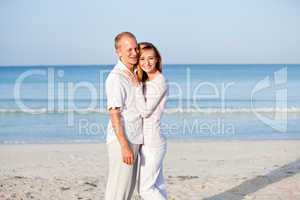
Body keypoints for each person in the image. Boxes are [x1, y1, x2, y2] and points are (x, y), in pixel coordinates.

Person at [125, 42, 168, 200]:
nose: (146, 62)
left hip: (154, 141)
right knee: (158, 185)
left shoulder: (160, 81)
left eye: (151, 58)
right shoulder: (147, 81)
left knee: (145, 189)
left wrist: (136, 87)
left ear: (157, 59)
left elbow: (145, 111)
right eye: (142, 59)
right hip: (147, 140)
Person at [104, 32, 143, 200]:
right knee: (118, 191)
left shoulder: (133, 74)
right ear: (118, 52)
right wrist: (124, 146)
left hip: (134, 138)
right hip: (123, 141)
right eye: (129, 50)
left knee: (126, 190)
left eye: (136, 48)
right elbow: (114, 114)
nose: (134, 53)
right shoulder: (116, 78)